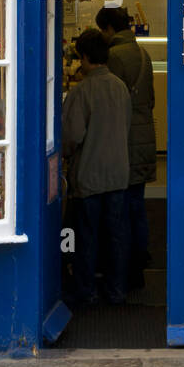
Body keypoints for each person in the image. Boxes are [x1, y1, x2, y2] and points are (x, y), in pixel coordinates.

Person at [62, 28, 132, 306]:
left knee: (87, 237)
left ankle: (86, 290)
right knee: (116, 235)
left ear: (86, 56)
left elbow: (72, 136)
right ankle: (117, 289)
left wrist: (64, 157)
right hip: (118, 173)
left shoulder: (82, 91)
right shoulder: (120, 87)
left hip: (89, 175)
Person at [96, 5, 156, 289]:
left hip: (122, 140)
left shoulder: (112, 57)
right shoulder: (143, 55)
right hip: (144, 139)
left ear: (108, 29)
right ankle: (139, 263)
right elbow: (151, 100)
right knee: (137, 206)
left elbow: (107, 104)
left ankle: (120, 273)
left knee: (118, 211)